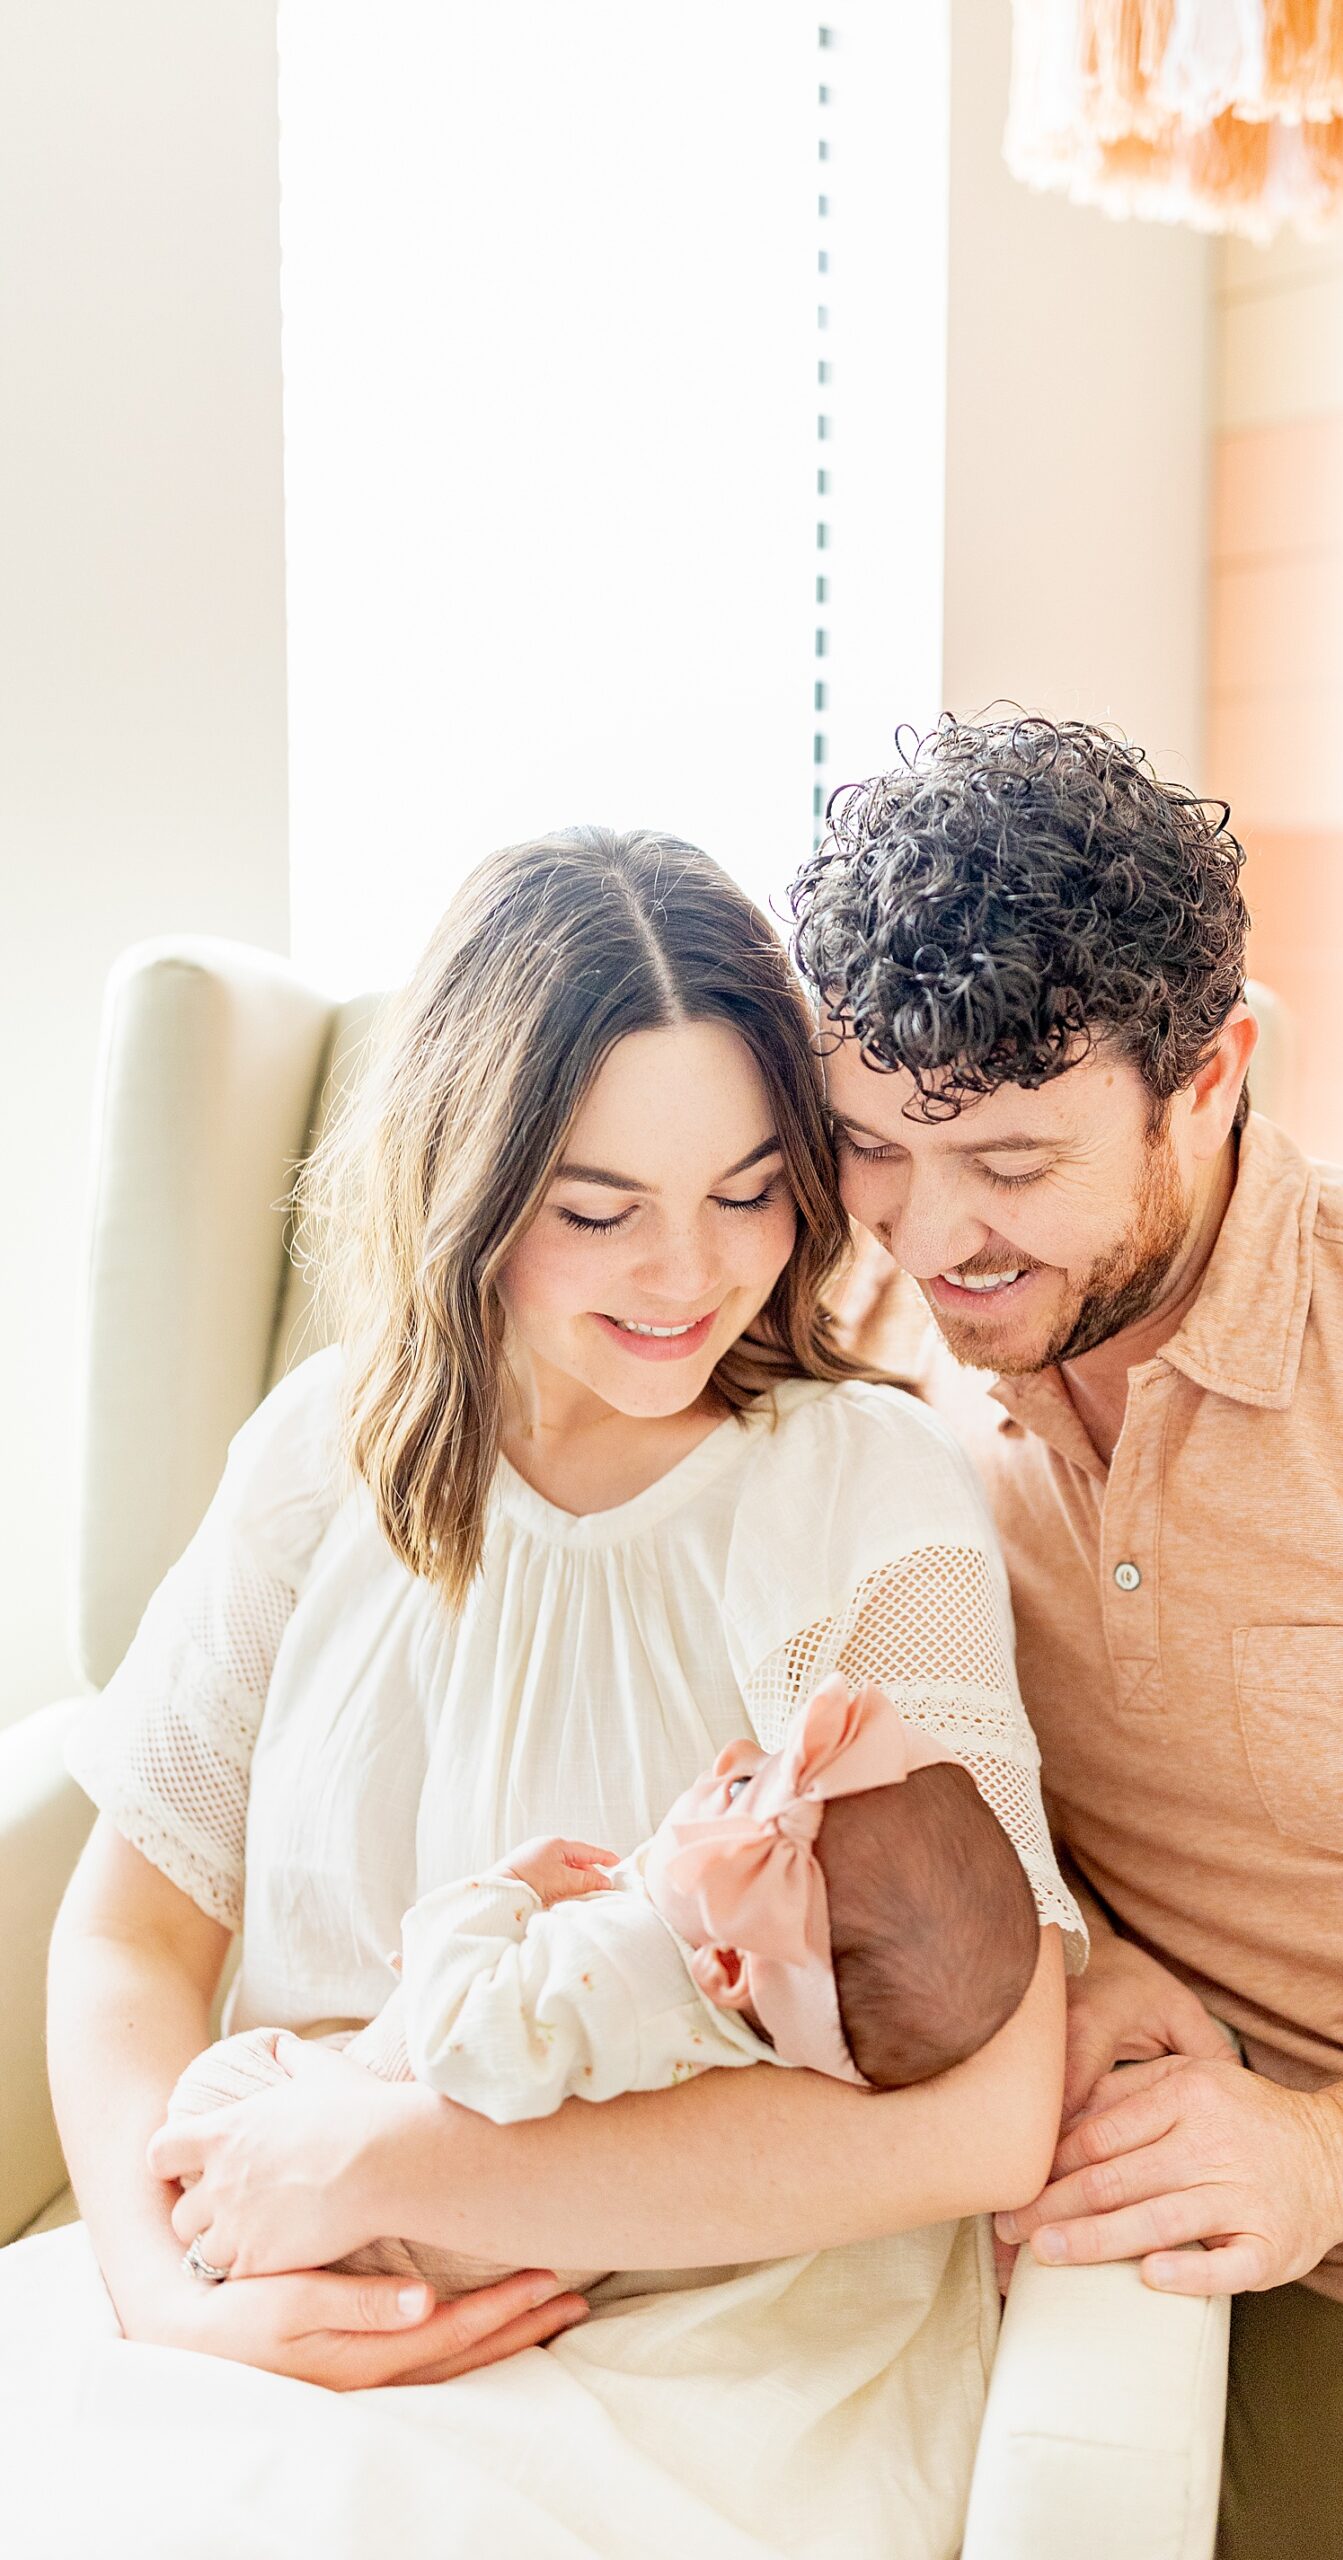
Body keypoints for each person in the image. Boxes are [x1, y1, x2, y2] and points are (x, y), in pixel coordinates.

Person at [0, 826, 1080, 2560]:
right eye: (597, 1211)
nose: (689, 1276)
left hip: (713, 2337)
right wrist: (168, 2295)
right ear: (472, 1186)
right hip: (279, 2264)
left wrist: (399, 2163)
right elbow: (129, 1932)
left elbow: (985, 2103)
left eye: (747, 1191)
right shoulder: (321, 1459)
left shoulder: (853, 1490)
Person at [786, 713, 1343, 2560]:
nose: (929, 1238)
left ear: (1213, 1077)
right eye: (875, 1148)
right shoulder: (899, 1381)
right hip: (1223, 2322)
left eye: (1017, 1163)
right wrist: (1081, 1945)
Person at [165, 1673, 1040, 2302]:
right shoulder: (742, 2009)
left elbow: (460, 2041)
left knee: (220, 2083)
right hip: (504, 2236)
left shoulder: (616, 1969)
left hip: (397, 2234)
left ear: (727, 1967)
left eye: (740, 1788)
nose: (729, 1755)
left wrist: (496, 1896)